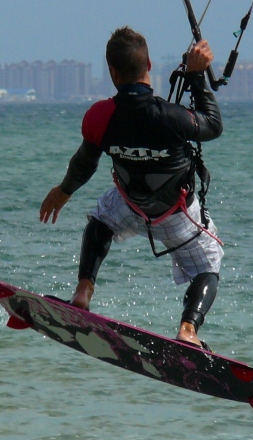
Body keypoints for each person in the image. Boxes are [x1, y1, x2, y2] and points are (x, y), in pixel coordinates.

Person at [39, 26, 224, 348]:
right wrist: (197, 75)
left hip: (130, 205)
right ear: (149, 65)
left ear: (112, 71)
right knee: (209, 262)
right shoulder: (174, 117)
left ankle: (83, 291)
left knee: (100, 219)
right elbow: (213, 125)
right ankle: (188, 329)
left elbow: (85, 163)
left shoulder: (99, 116)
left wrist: (64, 191)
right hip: (178, 215)